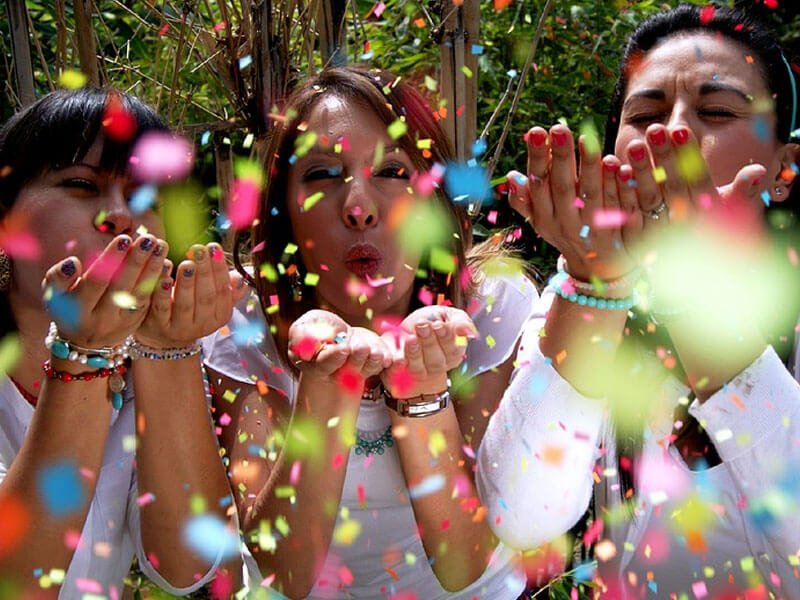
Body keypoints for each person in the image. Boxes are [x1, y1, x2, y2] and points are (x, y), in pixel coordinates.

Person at [477, 4, 800, 599]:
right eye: (645, 113)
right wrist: (596, 290)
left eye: (718, 111)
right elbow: (521, 518)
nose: (665, 133)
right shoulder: (571, 305)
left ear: (785, 167)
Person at [202, 67, 536, 598]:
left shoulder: (490, 308)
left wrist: (421, 395)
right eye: (322, 176)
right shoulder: (246, 324)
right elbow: (283, 570)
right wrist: (327, 386)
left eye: (393, 172)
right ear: (283, 211)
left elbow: (462, 561)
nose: (359, 207)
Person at [0, 88, 245, 596]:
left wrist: (167, 350)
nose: (121, 217)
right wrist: (83, 357)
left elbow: (193, 568)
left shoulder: (136, 366)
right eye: (81, 185)